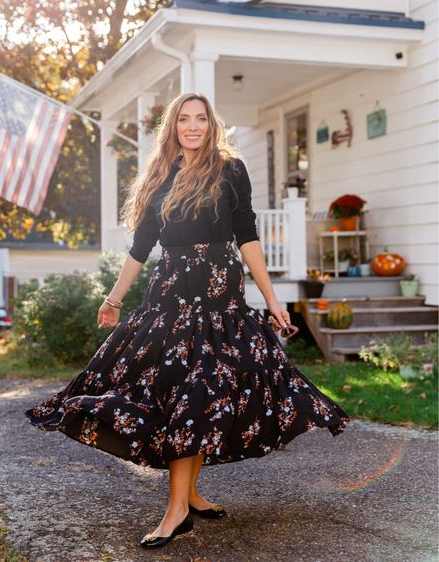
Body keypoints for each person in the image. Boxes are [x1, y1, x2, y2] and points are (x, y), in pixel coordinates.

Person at [25, 92, 350, 549]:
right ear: (173, 126)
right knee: (183, 392)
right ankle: (187, 500)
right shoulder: (161, 174)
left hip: (221, 297)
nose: (193, 126)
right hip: (173, 298)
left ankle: (180, 507)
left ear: (211, 124)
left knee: (204, 392)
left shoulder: (229, 169)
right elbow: (141, 247)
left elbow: (248, 235)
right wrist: (113, 298)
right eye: (184, 119)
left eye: (200, 118)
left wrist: (273, 301)